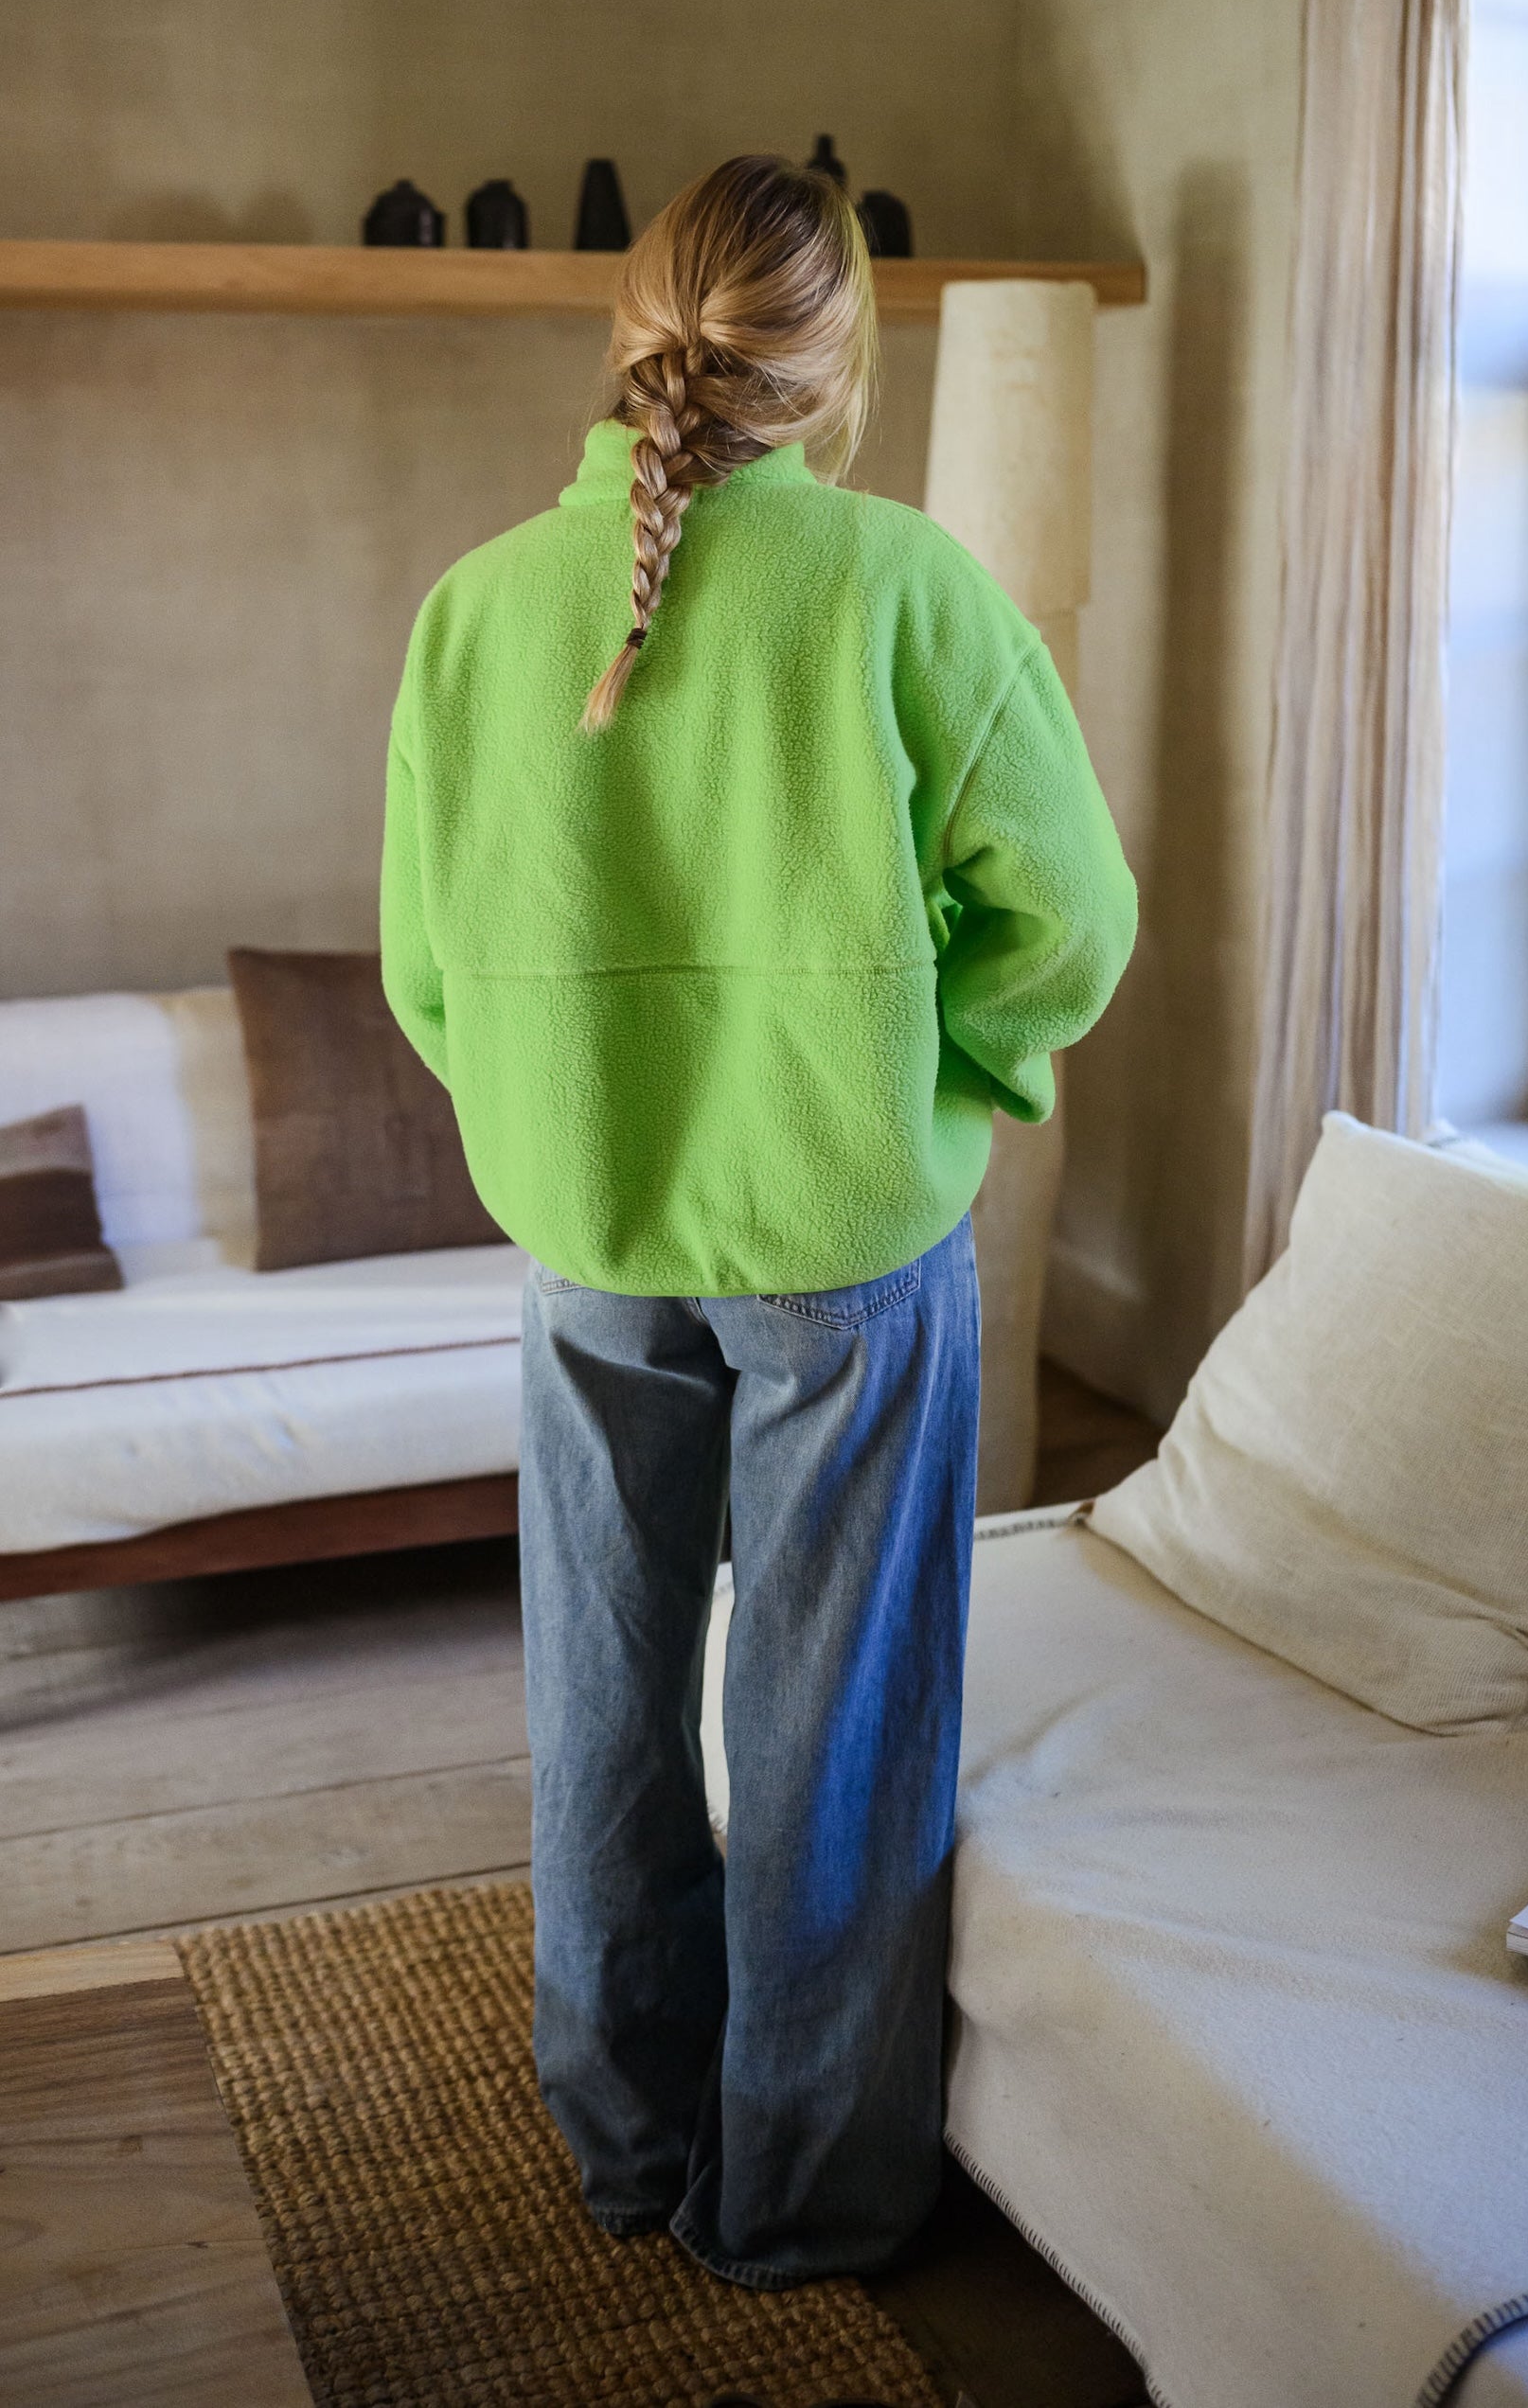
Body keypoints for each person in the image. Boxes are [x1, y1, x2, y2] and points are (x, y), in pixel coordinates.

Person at [381, 153, 1136, 2292]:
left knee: (603, 1701)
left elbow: (428, 976)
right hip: (851, 1248)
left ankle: (624, 2147)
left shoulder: (470, 610)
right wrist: (947, 1075)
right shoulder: (904, 585)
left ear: (633, 343)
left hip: (590, 1242)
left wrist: (567, 1123)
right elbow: (1067, 922)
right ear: (837, 357)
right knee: (836, 1723)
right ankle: (801, 2199)